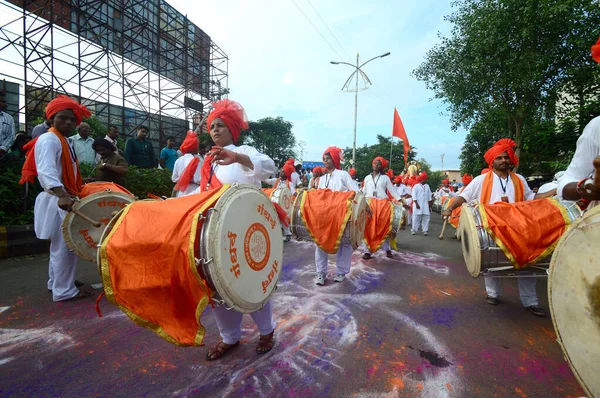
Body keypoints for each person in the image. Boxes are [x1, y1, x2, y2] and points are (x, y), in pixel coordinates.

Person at [197, 99, 277, 361]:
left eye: (221, 125)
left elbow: (268, 167)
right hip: (214, 236)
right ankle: (229, 336)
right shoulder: (207, 161)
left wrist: (237, 157)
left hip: (248, 232)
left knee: (251, 282)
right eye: (212, 126)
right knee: (218, 285)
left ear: (232, 129)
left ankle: (266, 331)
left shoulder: (244, 150)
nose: (216, 130)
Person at [442, 138, 546, 316]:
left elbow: (530, 198)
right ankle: (493, 294)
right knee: (491, 262)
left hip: (519, 227)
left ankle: (531, 302)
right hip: (492, 226)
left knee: (527, 263)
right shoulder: (481, 180)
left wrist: (555, 192)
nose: (504, 160)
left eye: (506, 157)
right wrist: (450, 208)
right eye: (499, 158)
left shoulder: (519, 179)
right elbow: (465, 196)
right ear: (492, 161)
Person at [19, 95, 93, 302]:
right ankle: (64, 290)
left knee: (63, 246)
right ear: (52, 119)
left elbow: (61, 171)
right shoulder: (49, 138)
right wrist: (63, 194)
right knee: (66, 247)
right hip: (58, 199)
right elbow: (46, 171)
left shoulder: (64, 140)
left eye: (72, 119)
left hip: (62, 196)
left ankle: (57, 282)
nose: (69, 122)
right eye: (63, 118)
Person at [314, 146, 360, 285]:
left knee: (343, 243)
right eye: (324, 159)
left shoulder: (343, 174)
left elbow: (355, 191)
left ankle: (340, 272)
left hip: (341, 214)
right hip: (324, 216)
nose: (325, 161)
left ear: (334, 159)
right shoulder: (322, 179)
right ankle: (321, 273)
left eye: (328, 158)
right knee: (320, 243)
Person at [362, 156, 401, 259]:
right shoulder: (367, 178)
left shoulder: (385, 178)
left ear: (382, 166)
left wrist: (400, 201)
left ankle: (387, 249)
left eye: (379, 164)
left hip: (383, 205)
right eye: (375, 163)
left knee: (384, 227)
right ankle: (367, 251)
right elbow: (364, 191)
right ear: (372, 164)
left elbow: (392, 190)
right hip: (369, 204)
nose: (377, 165)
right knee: (367, 228)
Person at [172, 131, 202, 197]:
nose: (198, 148)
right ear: (194, 147)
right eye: (197, 146)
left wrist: (182, 180)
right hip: (194, 190)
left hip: (181, 192)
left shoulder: (178, 160)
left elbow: (174, 178)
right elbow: (198, 179)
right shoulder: (196, 160)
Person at [0, 90, 15, 158]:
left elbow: (11, 135)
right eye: (2, 102)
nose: (5, 104)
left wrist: (3, 148)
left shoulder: (9, 118)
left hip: (2, 155)